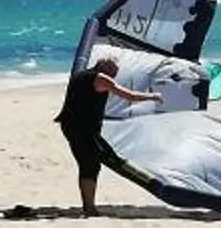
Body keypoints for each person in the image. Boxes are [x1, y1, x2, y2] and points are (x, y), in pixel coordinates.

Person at [57, 56, 161, 215]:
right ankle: (89, 208)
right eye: (114, 72)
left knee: (90, 164)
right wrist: (153, 96)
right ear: (105, 66)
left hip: (72, 126)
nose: (114, 76)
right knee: (94, 163)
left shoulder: (81, 75)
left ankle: (89, 206)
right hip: (81, 129)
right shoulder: (100, 78)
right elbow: (129, 96)